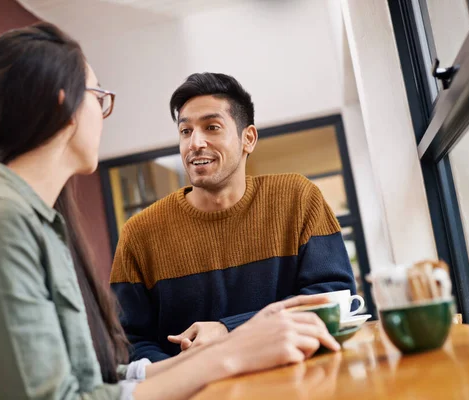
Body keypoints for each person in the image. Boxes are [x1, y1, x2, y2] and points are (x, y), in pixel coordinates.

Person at [0, 23, 340, 400]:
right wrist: (230, 355)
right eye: (98, 97)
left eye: (211, 127)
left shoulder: (34, 223)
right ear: (64, 107)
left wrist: (235, 339)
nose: (103, 115)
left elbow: (97, 377)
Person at [110, 72, 357, 362]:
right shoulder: (139, 233)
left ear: (248, 138)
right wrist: (193, 370)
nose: (195, 143)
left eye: (212, 127)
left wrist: (230, 330)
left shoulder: (298, 198)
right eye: (186, 131)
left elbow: (334, 299)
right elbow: (126, 342)